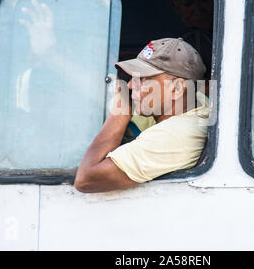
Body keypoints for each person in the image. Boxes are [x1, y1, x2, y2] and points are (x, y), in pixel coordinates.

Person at [74, 38, 209, 193]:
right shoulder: (192, 102)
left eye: (142, 78)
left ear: (177, 88)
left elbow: (86, 179)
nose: (130, 85)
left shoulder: (176, 135)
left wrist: (119, 115)